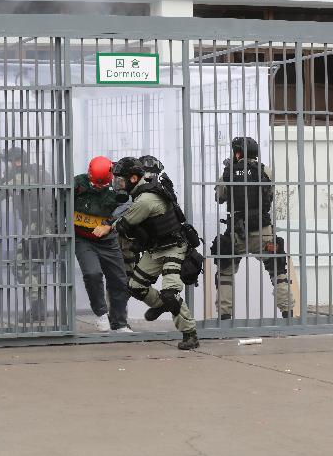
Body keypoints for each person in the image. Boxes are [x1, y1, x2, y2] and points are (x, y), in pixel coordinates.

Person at [93, 157, 201, 350]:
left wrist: (107, 227)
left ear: (134, 179)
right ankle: (161, 304)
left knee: (170, 293)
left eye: (121, 180)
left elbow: (126, 223)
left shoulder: (146, 199)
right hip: (155, 249)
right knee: (135, 286)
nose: (118, 184)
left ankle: (190, 333)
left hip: (172, 247)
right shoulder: (142, 192)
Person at [212, 137, 292, 320]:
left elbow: (219, 198)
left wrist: (230, 171)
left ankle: (225, 317)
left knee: (225, 273)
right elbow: (270, 195)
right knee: (278, 271)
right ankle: (288, 313)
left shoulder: (227, 172)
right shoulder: (266, 171)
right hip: (263, 231)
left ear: (237, 153)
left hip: (236, 233)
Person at [0, 146, 56, 323]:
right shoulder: (34, 172)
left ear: (19, 160)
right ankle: (39, 308)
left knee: (23, 264)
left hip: (38, 226)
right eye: (10, 162)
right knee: (30, 265)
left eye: (13, 161)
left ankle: (36, 308)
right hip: (41, 225)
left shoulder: (25, 174)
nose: (11, 165)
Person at [73, 156, 131, 332]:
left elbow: (127, 206)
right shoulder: (77, 184)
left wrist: (108, 225)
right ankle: (101, 314)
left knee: (119, 280)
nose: (98, 187)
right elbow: (59, 201)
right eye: (95, 184)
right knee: (93, 274)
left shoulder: (118, 186)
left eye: (102, 185)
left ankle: (119, 323)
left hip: (107, 239)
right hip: (82, 238)